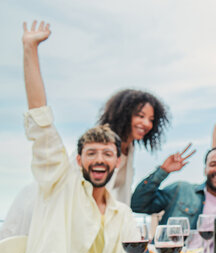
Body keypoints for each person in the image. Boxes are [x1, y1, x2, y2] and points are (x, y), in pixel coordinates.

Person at [17, 21, 137, 253]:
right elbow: (41, 123)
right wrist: (30, 49)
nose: (99, 159)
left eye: (107, 154)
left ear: (118, 162)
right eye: (91, 153)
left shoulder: (123, 214)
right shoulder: (59, 186)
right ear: (79, 160)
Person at [0, 50, 169, 242]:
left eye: (151, 119)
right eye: (140, 116)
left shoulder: (128, 149)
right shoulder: (100, 142)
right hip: (45, 209)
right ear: (124, 113)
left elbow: (119, 198)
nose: (146, 123)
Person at [130, 146, 216, 253]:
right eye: (213, 164)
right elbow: (138, 205)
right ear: (205, 170)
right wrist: (163, 171)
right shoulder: (181, 190)